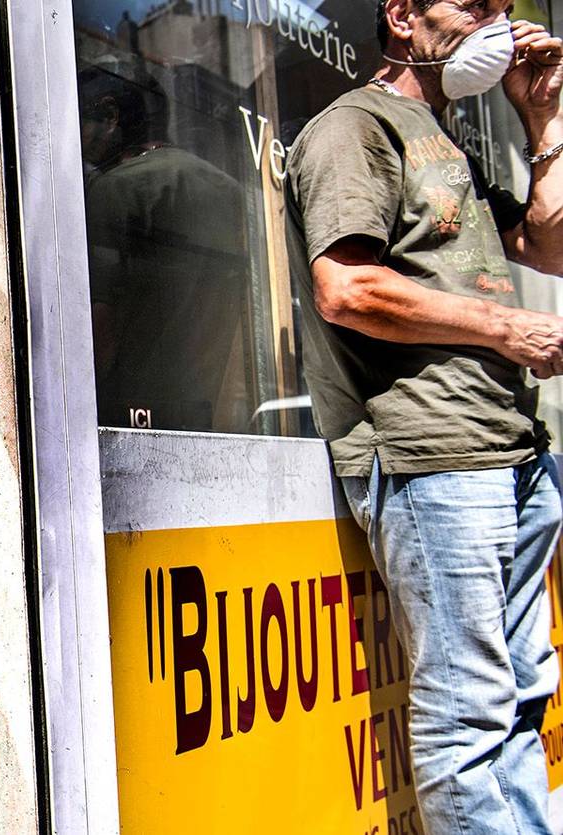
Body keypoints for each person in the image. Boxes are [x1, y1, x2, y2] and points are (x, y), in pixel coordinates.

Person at [286, 0, 563, 830]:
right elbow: (347, 288)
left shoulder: (452, 138)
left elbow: (552, 246)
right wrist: (505, 325)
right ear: (403, 16)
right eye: (471, 5)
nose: (495, 20)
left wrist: (541, 117)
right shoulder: (355, 127)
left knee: (521, 701)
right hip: (433, 456)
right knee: (470, 714)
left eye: (501, 7)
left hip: (507, 448)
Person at [79, 65, 250, 431]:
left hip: (129, 412)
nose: (71, 138)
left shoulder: (116, 188)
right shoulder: (227, 188)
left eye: (78, 122)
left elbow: (103, 319)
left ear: (110, 117)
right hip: (203, 406)